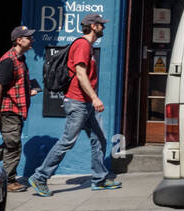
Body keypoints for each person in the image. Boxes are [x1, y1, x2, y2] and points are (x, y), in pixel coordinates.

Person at [30, 13, 122, 194]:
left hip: (86, 103)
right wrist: (95, 98)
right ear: (93, 26)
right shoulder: (82, 45)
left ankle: (99, 178)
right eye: (101, 25)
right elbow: (81, 74)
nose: (104, 27)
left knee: (99, 139)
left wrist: (92, 99)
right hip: (78, 102)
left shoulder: (87, 46)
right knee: (67, 141)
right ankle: (40, 176)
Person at [0, 25, 37, 192]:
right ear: (19, 40)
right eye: (28, 37)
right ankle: (9, 181)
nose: (31, 39)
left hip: (16, 110)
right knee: (14, 146)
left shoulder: (20, 59)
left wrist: (28, 91)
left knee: (11, 144)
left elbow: (13, 85)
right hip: (8, 111)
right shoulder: (8, 60)